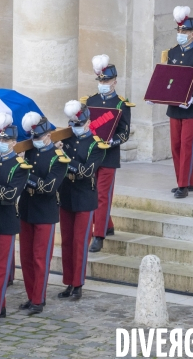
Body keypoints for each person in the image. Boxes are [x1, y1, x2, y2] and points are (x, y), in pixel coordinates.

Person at [156, 6, 193, 199]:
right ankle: (189, 180)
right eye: (179, 30)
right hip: (174, 107)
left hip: (191, 108)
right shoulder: (171, 53)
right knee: (176, 146)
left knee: (187, 145)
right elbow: (167, 79)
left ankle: (183, 185)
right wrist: (157, 95)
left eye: (185, 31)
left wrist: (192, 99)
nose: (181, 34)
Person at [0, 113, 30, 325]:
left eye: (5, 140)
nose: (1, 143)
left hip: (5, 219)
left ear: (14, 142)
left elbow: (10, 194)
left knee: (0, 267)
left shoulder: (20, 166)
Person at [18, 112, 69, 314]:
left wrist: (26, 175)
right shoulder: (28, 153)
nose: (36, 141)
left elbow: (48, 187)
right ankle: (31, 296)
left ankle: (39, 299)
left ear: (48, 135)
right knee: (26, 258)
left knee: (41, 258)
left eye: (39, 137)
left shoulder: (59, 158)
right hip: (27, 209)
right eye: (33, 138)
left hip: (45, 212)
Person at [84, 55, 134, 253]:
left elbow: (124, 132)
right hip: (91, 155)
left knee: (102, 195)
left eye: (107, 80)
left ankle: (99, 235)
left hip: (108, 156)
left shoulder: (121, 104)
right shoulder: (90, 101)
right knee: (92, 191)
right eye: (101, 80)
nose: (103, 84)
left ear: (115, 81)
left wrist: (111, 142)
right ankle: (108, 224)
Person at [58, 101, 107, 300]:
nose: (74, 128)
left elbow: (86, 171)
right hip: (67, 194)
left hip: (85, 197)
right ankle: (68, 281)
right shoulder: (66, 140)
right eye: (72, 124)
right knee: (67, 243)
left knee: (80, 242)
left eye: (78, 124)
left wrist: (65, 158)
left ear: (88, 123)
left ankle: (78, 283)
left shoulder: (97, 145)